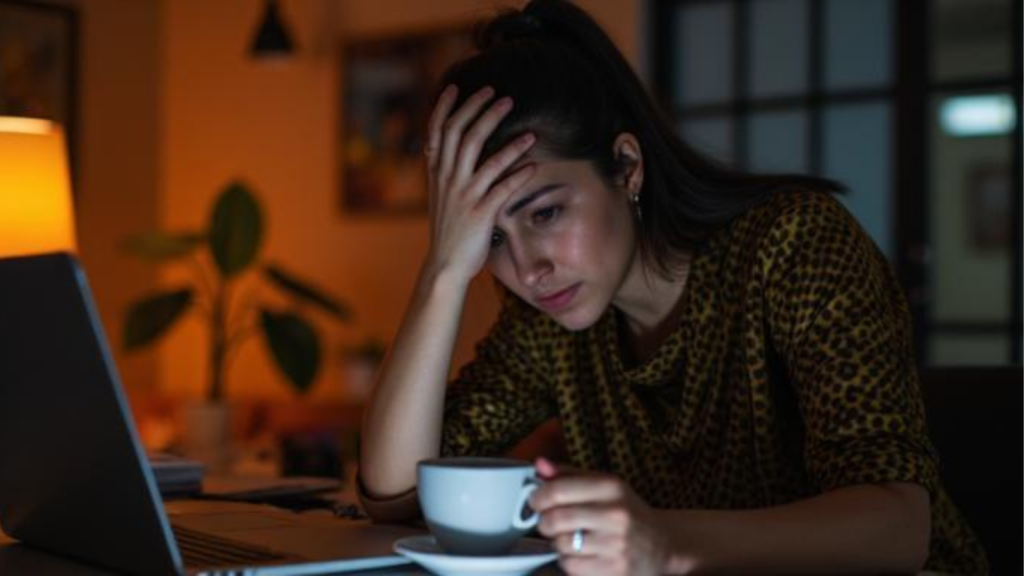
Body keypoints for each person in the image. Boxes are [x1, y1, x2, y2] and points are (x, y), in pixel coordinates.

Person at [357, 1, 987, 573]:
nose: (528, 268)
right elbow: (396, 493)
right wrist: (441, 270)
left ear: (627, 167)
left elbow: (899, 528)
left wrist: (665, 541)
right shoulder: (546, 319)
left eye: (545, 213)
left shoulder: (794, 243)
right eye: (490, 238)